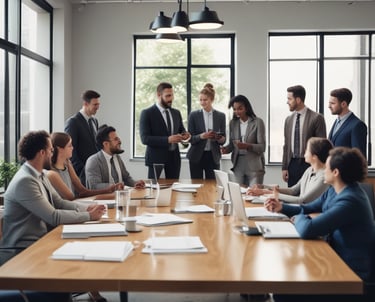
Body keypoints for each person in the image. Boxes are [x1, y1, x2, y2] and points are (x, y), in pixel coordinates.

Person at [0, 130, 105, 301]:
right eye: (50, 150)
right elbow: (53, 216)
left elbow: (61, 203)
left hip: (39, 244)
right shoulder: (25, 181)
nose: (52, 153)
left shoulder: (40, 175)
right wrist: (89, 217)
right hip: (21, 252)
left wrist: (88, 208)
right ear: (42, 153)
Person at [266, 147, 375, 302]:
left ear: (335, 172)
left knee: (284, 291)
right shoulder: (334, 191)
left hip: (350, 275)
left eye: (327, 167)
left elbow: (308, 229)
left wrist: (298, 218)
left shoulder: (350, 200)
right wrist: (282, 207)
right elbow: (307, 208)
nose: (323, 170)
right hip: (334, 260)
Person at [248, 137, 333, 204]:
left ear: (315, 156)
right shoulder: (310, 170)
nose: (304, 152)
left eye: (307, 149)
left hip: (308, 215)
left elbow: (303, 200)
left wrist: (267, 193)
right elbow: (293, 191)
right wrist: (264, 187)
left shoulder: (324, 178)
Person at [139, 82, 191, 179]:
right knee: (154, 190)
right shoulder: (147, 113)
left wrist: (185, 136)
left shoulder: (176, 113)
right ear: (159, 95)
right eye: (168, 96)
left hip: (174, 159)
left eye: (172, 95)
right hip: (155, 159)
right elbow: (145, 139)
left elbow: (181, 130)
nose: (171, 99)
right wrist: (167, 140)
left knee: (173, 189)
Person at [47, 132, 120, 200]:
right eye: (69, 146)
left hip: (73, 203)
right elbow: (70, 197)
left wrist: (109, 190)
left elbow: (82, 191)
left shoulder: (67, 163)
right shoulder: (51, 171)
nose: (72, 148)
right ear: (60, 149)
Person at [282, 85, 326, 187]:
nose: (287, 102)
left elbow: (321, 145)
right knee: (293, 194)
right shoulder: (288, 120)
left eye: (289, 99)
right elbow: (286, 145)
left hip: (310, 164)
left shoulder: (317, 118)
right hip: (292, 164)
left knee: (308, 197)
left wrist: (319, 168)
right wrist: (284, 167)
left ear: (298, 100)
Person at [221, 94, 266, 186]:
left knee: (254, 195)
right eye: (234, 109)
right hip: (238, 165)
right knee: (238, 194)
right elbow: (232, 145)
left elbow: (262, 147)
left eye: (240, 108)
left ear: (246, 108)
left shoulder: (258, 122)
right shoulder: (233, 123)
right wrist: (225, 149)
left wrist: (247, 146)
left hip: (254, 165)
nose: (237, 111)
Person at [85, 125, 145, 190]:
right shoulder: (93, 161)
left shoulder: (117, 157)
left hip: (119, 196)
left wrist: (135, 183)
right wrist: (115, 187)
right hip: (103, 198)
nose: (120, 141)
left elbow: (126, 178)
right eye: (116, 139)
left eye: (118, 138)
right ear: (106, 144)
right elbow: (94, 186)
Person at [186, 83, 226, 179]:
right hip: (196, 156)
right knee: (196, 186)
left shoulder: (221, 116)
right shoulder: (193, 115)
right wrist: (201, 136)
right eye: (200, 100)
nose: (202, 102)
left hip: (213, 156)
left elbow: (223, 139)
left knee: (212, 187)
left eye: (205, 100)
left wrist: (218, 138)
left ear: (211, 100)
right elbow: (190, 138)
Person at [65, 90, 101, 184]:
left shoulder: (95, 121)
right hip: (81, 173)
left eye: (98, 104)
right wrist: (82, 170)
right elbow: (71, 150)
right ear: (85, 103)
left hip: (94, 171)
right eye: (95, 104)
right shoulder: (73, 122)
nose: (97, 107)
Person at [328, 87, 367, 158]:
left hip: (347, 168)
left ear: (343, 104)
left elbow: (359, 157)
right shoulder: (336, 122)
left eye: (332, 103)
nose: (329, 106)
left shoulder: (357, 125)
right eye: (329, 103)